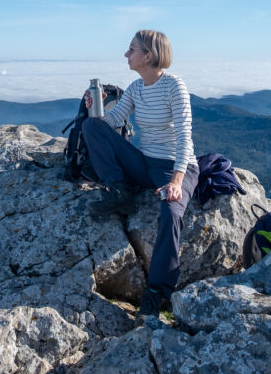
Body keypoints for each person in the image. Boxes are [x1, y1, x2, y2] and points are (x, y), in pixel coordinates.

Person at [81, 29, 199, 319]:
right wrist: (92, 111)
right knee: (90, 127)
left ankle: (158, 292)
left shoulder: (174, 87)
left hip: (174, 166)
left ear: (148, 55)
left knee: (172, 213)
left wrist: (176, 182)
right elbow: (111, 123)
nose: (126, 54)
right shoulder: (135, 88)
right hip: (145, 162)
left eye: (131, 49)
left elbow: (185, 136)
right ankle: (120, 191)